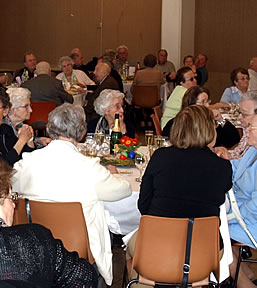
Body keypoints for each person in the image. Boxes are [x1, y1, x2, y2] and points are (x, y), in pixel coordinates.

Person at [12, 103, 132, 286]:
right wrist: (114, 173)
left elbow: (11, 185)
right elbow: (123, 190)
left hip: (35, 250)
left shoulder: (26, 164)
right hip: (81, 254)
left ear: (50, 129)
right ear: (82, 132)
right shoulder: (89, 168)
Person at [127, 105, 232, 284]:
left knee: (130, 248)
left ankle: (142, 283)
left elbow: (144, 206)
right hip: (204, 250)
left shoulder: (161, 157)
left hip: (156, 245)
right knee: (195, 261)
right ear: (208, 130)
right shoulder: (222, 167)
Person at [0, 159, 98, 287]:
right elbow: (85, 277)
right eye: (11, 197)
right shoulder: (33, 242)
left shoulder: (25, 163)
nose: (14, 205)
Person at [226, 114, 257, 288]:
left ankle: (244, 284)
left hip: (252, 221)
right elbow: (235, 168)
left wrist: (233, 214)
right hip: (244, 213)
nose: (247, 131)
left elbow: (255, 206)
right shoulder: (253, 150)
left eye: (251, 128)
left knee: (214, 235)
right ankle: (248, 272)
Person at [162, 86, 240, 148]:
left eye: (207, 102)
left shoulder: (211, 123)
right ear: (191, 104)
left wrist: (220, 120)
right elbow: (165, 142)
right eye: (203, 102)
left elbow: (233, 140)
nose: (207, 105)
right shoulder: (175, 123)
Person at [0, 88, 34, 166]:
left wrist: (30, 140)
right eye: (26, 106)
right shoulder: (4, 131)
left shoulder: (15, 126)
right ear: (11, 110)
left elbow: (27, 156)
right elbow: (5, 165)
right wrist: (22, 140)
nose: (31, 110)